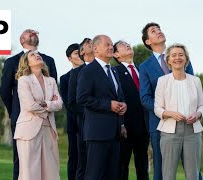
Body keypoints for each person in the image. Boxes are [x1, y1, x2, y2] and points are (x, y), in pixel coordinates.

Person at [139, 22, 194, 180]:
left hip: (187, 123)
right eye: (153, 31)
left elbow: (193, 87)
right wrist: (164, 112)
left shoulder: (180, 57)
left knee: (193, 170)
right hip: (159, 124)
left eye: (159, 29)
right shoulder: (145, 67)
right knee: (162, 171)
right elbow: (145, 97)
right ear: (148, 41)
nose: (159, 32)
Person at [0, 29, 57, 180]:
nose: (33, 32)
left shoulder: (49, 61)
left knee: (48, 164)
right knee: (22, 163)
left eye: (34, 32)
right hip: (22, 119)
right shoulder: (11, 62)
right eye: (28, 32)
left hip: (47, 122)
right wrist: (15, 112)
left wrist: (48, 106)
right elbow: (5, 92)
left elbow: (55, 93)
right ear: (21, 40)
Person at [76, 35, 127, 180]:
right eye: (107, 45)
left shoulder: (114, 71)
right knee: (94, 175)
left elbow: (119, 96)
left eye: (112, 45)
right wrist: (108, 105)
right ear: (95, 48)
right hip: (97, 133)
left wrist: (123, 105)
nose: (111, 47)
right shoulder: (88, 70)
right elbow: (82, 98)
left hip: (115, 133)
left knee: (113, 175)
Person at [154, 43, 203, 180]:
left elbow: (201, 106)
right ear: (168, 60)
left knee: (193, 174)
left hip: (192, 132)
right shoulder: (162, 81)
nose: (178, 58)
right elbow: (157, 108)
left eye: (181, 55)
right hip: (170, 132)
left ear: (186, 59)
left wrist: (197, 114)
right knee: (168, 175)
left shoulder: (196, 80)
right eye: (174, 55)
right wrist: (171, 113)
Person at [14, 50, 62, 180]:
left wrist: (44, 103)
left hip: (49, 130)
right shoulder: (24, 80)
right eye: (32, 55)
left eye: (38, 54)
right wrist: (50, 105)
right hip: (28, 131)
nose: (37, 55)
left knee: (51, 173)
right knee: (29, 173)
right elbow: (29, 105)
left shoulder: (51, 81)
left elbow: (59, 104)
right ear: (27, 63)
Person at [113, 40, 149, 180]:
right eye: (122, 45)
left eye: (127, 43)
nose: (127, 45)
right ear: (116, 54)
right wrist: (121, 123)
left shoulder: (142, 70)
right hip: (125, 127)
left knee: (143, 166)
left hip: (144, 126)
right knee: (122, 166)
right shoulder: (115, 71)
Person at [67, 38, 94, 180]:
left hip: (106, 126)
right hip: (84, 127)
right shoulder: (77, 73)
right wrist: (93, 111)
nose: (93, 45)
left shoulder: (108, 70)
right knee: (83, 165)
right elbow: (72, 103)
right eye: (89, 44)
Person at [59, 43, 84, 180]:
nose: (79, 55)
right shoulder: (64, 79)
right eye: (76, 53)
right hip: (75, 125)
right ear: (69, 58)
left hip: (94, 124)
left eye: (81, 51)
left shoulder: (94, 73)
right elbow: (69, 104)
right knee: (74, 157)